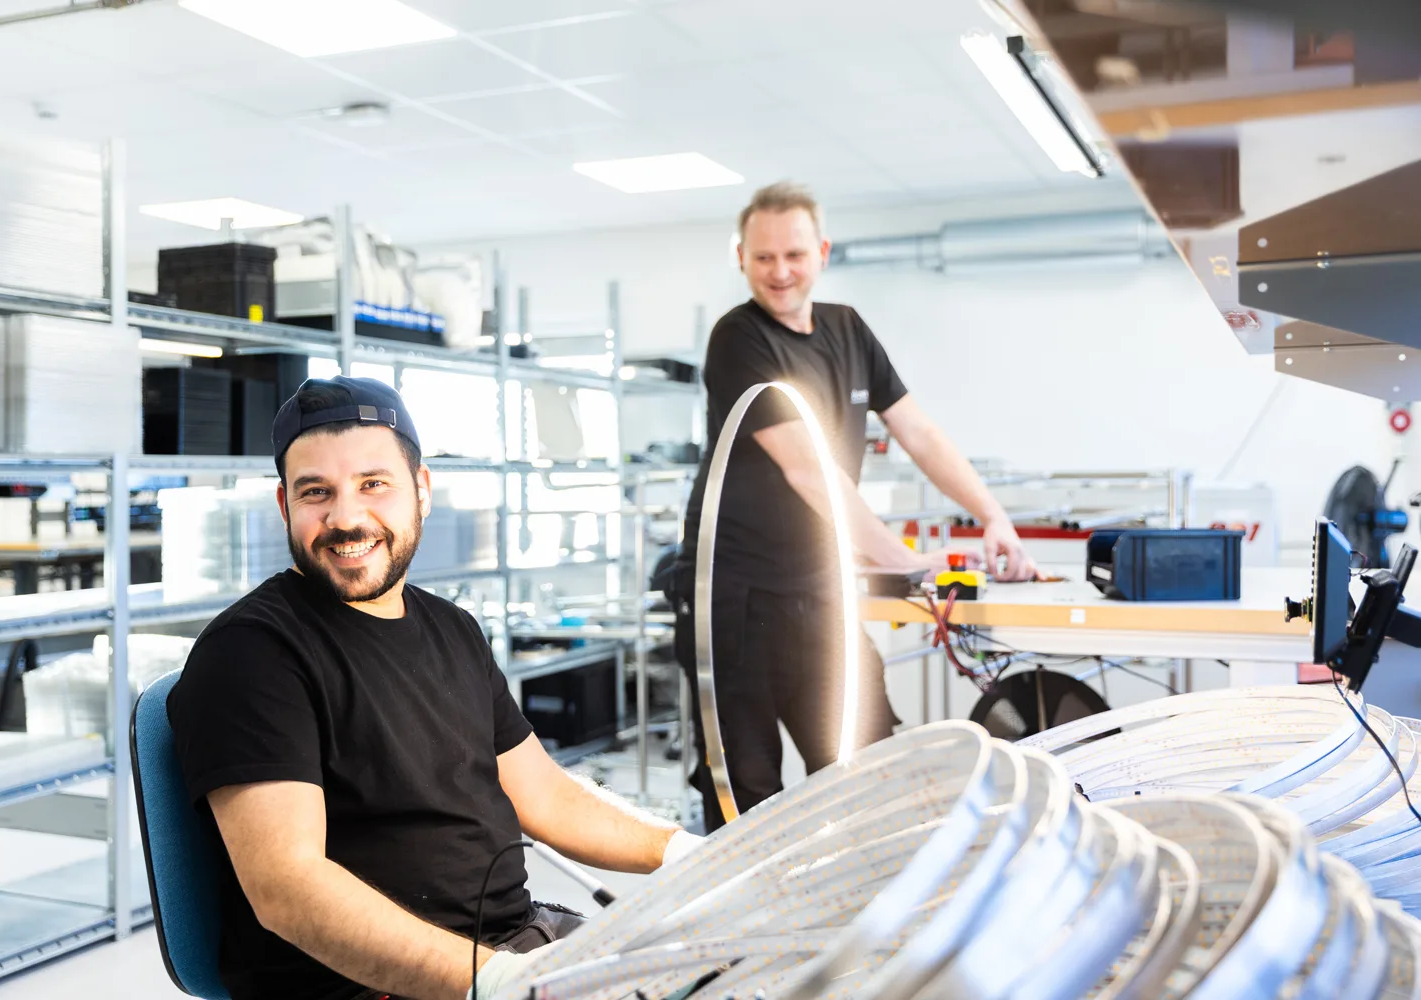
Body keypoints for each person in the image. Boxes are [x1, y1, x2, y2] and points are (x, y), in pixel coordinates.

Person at [169, 376, 703, 1000]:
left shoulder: (451, 628)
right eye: (318, 493)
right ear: (286, 506)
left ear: (421, 491)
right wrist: (502, 981)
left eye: (373, 484)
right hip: (379, 984)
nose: (346, 518)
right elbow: (289, 888)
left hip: (514, 947)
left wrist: (685, 852)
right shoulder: (253, 653)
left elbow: (548, 797)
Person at [674, 181, 1038, 831]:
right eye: (763, 259)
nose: (780, 272)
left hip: (818, 587)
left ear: (822, 251)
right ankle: (754, 928)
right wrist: (904, 561)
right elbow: (810, 471)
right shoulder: (738, 340)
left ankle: (859, 915)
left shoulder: (847, 329)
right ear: (740, 258)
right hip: (732, 600)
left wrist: (992, 514)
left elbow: (918, 432)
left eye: (794, 255)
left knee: (866, 760)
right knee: (745, 789)